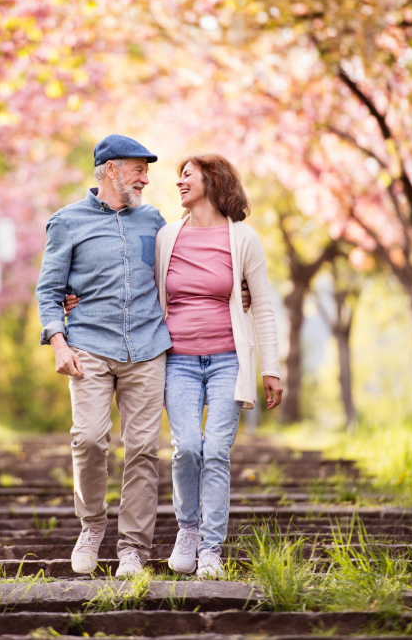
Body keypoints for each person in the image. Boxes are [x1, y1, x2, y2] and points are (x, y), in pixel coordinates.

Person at [36, 134, 173, 578]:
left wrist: (237, 287)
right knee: (91, 438)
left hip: (148, 347)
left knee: (143, 450)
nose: (146, 178)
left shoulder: (154, 220)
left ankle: (133, 547)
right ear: (110, 169)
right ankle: (92, 527)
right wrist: (57, 340)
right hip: (89, 347)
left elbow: (184, 269)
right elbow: (49, 289)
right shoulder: (67, 221)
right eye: (138, 169)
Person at [155, 154, 282, 578]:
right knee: (187, 446)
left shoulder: (243, 238)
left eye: (187, 175)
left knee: (216, 452)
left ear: (212, 179)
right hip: (179, 361)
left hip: (230, 359)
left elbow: (261, 305)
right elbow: (139, 286)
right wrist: (73, 297)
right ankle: (188, 530)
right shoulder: (166, 236)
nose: (179, 183)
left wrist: (272, 368)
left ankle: (211, 548)